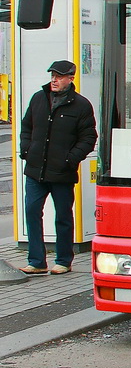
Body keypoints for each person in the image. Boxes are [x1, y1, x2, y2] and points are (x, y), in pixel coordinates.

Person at [19, 60, 97, 275]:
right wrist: (26, 149)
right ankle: (36, 261)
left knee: (63, 216)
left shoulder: (81, 105)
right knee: (32, 211)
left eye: (59, 76)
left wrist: (70, 160)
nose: (54, 79)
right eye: (52, 75)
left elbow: (88, 137)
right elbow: (27, 126)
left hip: (62, 172)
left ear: (70, 79)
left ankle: (63, 260)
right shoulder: (38, 98)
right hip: (36, 170)